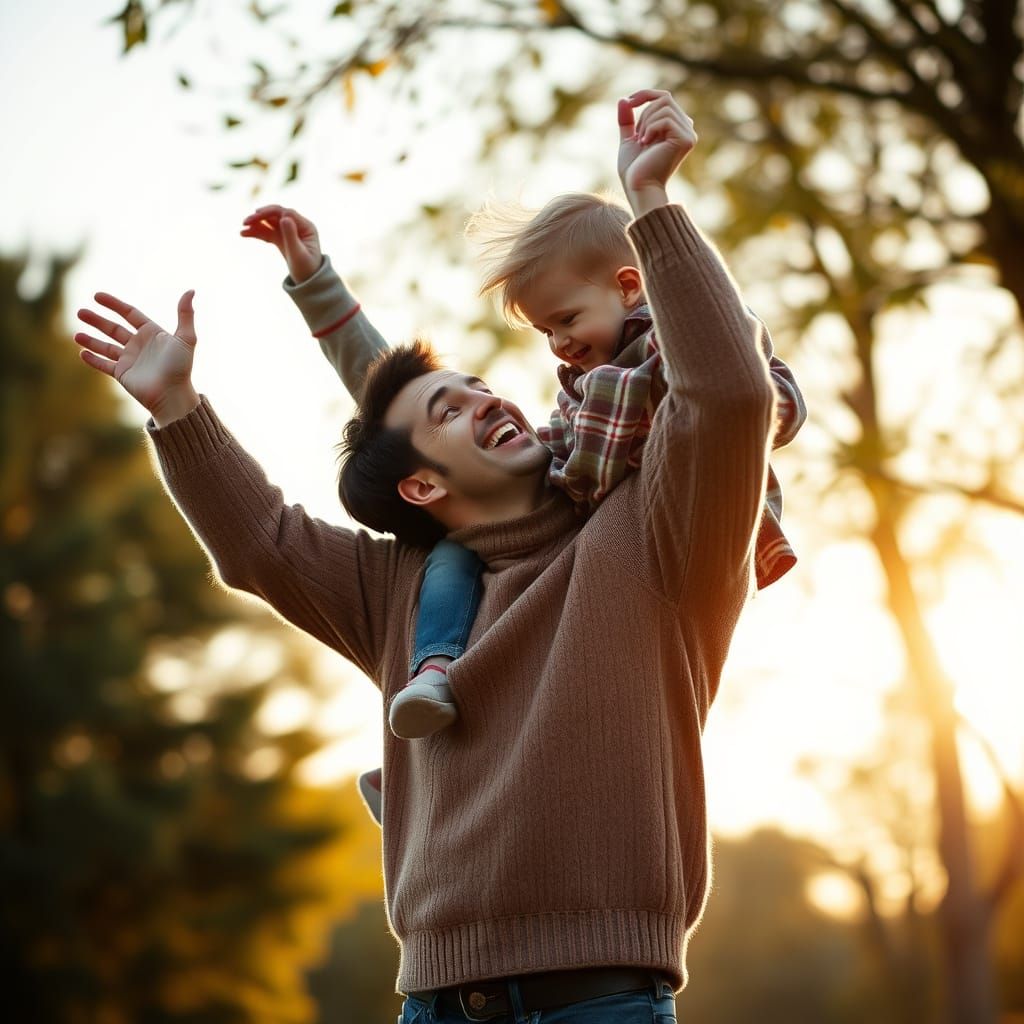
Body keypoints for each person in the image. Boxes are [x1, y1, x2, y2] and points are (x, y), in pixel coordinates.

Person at [76, 90, 776, 1023]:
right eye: (450, 410)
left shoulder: (655, 535)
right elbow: (263, 543)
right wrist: (178, 409)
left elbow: (728, 396)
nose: (488, 397)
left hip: (604, 1000)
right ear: (420, 488)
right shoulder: (399, 592)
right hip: (435, 1002)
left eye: (483, 385)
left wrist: (650, 210)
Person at [242, 196, 805, 826]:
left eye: (566, 320)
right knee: (449, 554)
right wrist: (318, 285)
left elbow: (748, 396)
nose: (560, 345)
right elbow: (403, 420)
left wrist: (653, 210)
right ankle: (422, 732)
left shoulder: (667, 358)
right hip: (570, 500)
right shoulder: (577, 415)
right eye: (547, 332)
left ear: (628, 287)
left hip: (669, 520)